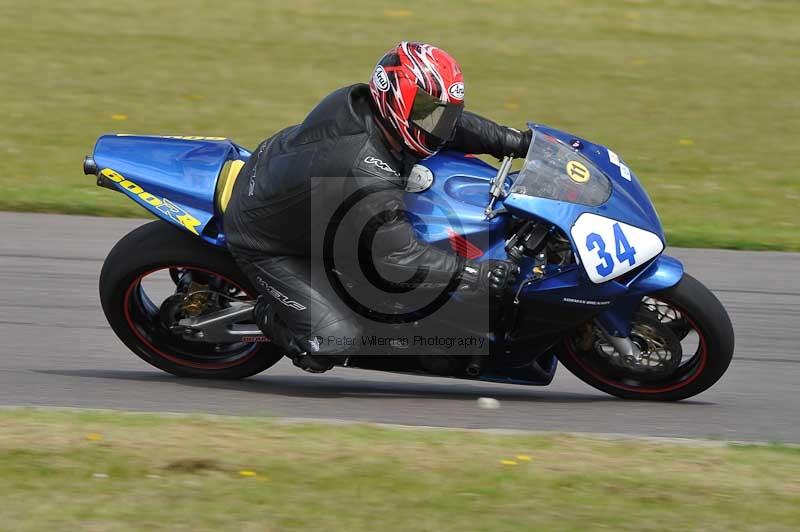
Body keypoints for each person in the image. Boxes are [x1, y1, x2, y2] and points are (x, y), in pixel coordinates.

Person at [224, 41, 530, 373]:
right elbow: (399, 257)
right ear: (396, 98)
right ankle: (269, 313)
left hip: (292, 180)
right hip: (266, 240)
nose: (437, 123)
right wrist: (476, 273)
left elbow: (450, 126)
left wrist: (513, 141)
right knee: (332, 340)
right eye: (426, 109)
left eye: (441, 111)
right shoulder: (365, 169)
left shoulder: (370, 105)